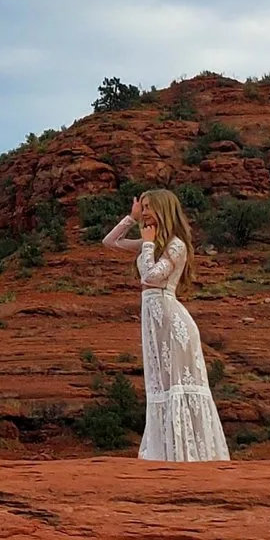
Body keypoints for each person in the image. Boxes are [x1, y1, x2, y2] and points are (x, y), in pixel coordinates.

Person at [99, 189, 229, 462]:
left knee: (177, 386)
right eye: (143, 207)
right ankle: (167, 454)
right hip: (154, 324)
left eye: (149, 207)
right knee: (160, 387)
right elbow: (110, 242)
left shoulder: (175, 244)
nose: (145, 212)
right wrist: (130, 218)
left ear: (164, 209)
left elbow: (150, 278)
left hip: (172, 322)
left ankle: (188, 456)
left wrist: (146, 244)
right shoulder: (154, 241)